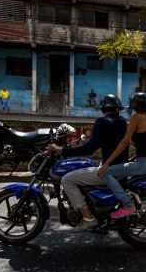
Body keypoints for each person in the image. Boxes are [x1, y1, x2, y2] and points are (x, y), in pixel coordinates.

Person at [46, 94, 128, 231]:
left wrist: (62, 150)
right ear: (118, 108)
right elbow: (104, 141)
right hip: (119, 169)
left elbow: (89, 149)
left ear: (102, 108)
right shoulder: (122, 121)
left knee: (67, 180)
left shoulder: (102, 122)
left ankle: (89, 218)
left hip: (109, 171)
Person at [97, 92, 146, 218]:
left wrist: (106, 163)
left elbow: (124, 142)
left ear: (135, 105)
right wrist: (132, 158)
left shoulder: (136, 118)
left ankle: (128, 204)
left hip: (144, 163)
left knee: (106, 173)